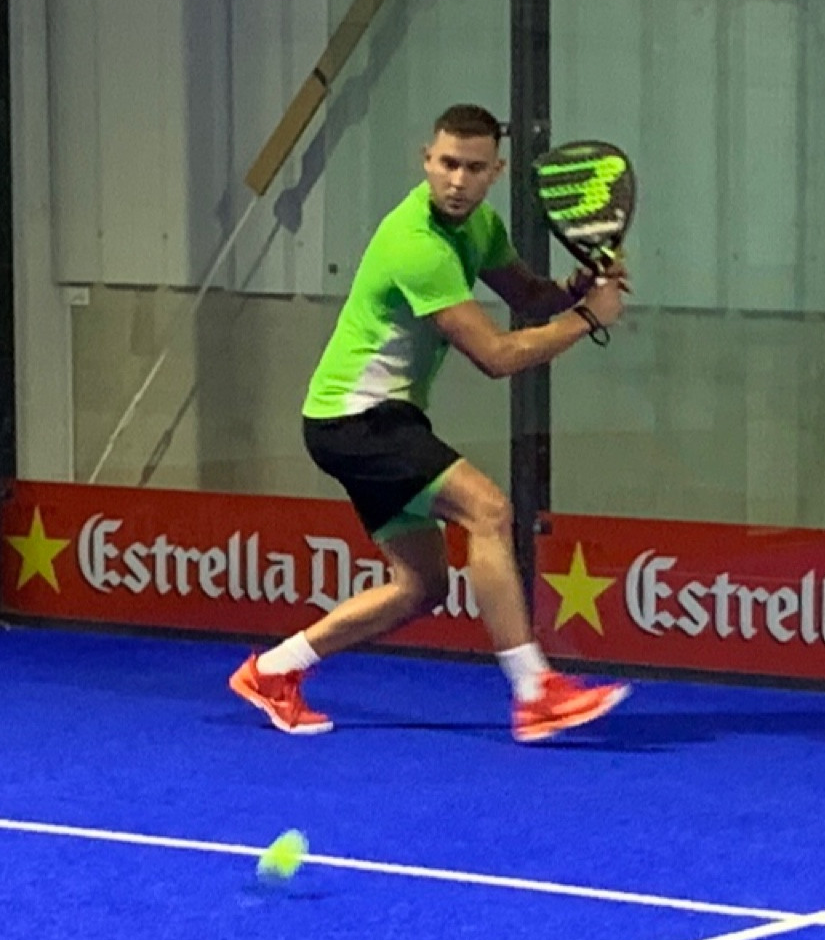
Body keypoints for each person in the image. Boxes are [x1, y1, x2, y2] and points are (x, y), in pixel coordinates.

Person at [229, 102, 630, 743]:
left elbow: (529, 297)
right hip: (356, 419)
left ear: (495, 171)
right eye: (447, 164)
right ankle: (536, 692)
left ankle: (273, 671)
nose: (457, 180)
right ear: (426, 160)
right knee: (488, 511)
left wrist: (576, 286)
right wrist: (588, 320)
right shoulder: (416, 243)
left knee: (420, 586)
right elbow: (496, 357)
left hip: (367, 419)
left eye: (473, 168)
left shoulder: (481, 225)